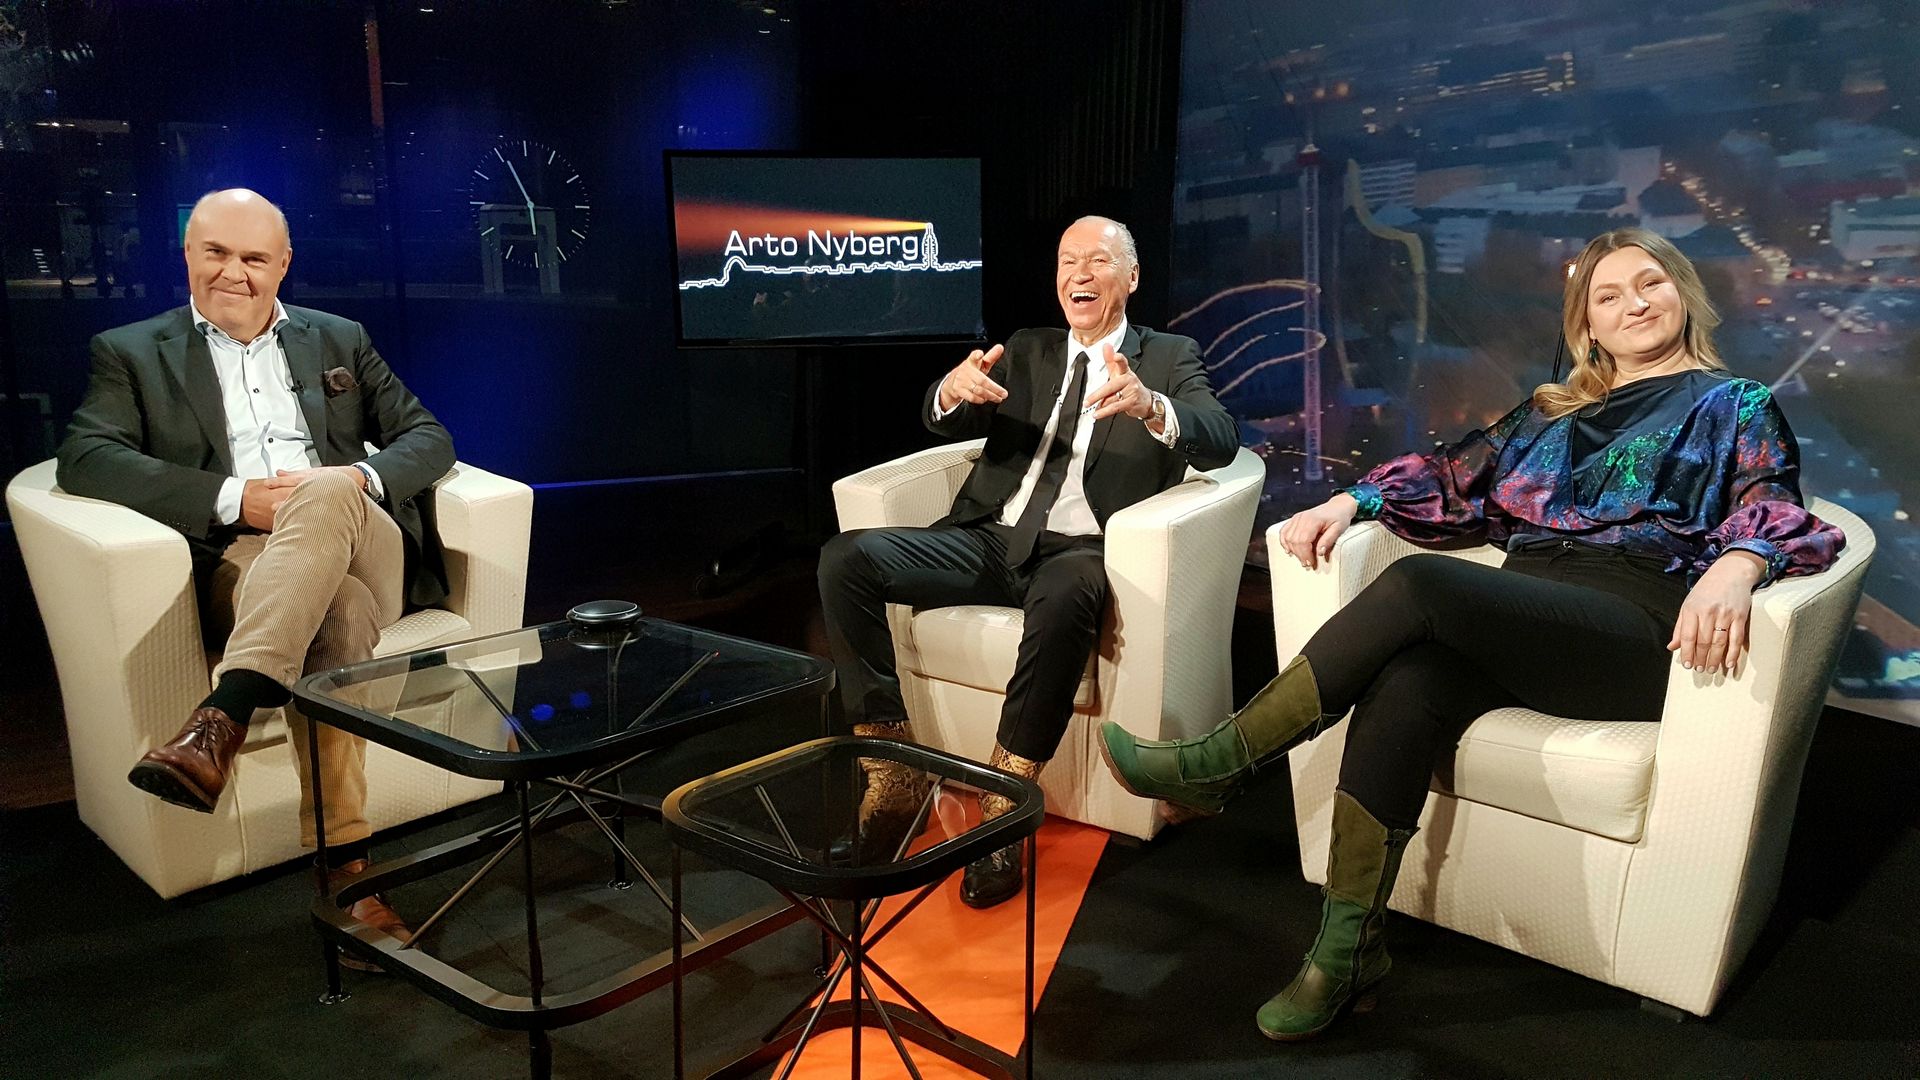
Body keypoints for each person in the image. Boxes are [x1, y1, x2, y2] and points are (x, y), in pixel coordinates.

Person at [1099, 226, 1845, 1040]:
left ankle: (1222, 761)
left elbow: (1774, 499)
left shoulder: (1734, 403)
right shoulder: (1553, 411)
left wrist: (1739, 563)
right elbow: (1452, 474)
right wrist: (1352, 500)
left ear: (1683, 295)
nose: (1634, 303)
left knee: (1419, 584)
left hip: (1631, 629)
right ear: (1586, 325)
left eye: (1650, 284)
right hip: (1528, 617)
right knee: (1408, 682)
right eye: (1608, 295)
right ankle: (1345, 956)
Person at [56, 189, 454, 959]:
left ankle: (225, 711)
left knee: (327, 490)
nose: (232, 273)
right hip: (242, 553)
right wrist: (235, 498)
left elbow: (427, 436)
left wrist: (354, 480)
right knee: (339, 617)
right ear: (188, 254)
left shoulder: (338, 338)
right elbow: (87, 456)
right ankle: (349, 876)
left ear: (283, 265)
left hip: (362, 535)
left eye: (253, 258)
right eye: (215, 252)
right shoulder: (132, 351)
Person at [818, 215, 1238, 908]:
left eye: (1098, 261)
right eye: (1067, 260)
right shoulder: (1027, 347)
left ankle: (1004, 803)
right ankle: (892, 771)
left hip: (1080, 549)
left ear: (1132, 277)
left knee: (1068, 594)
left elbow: (1221, 436)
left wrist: (1150, 405)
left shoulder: (1167, 355)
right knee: (846, 559)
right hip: (990, 537)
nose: (1079, 274)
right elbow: (951, 417)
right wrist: (951, 390)